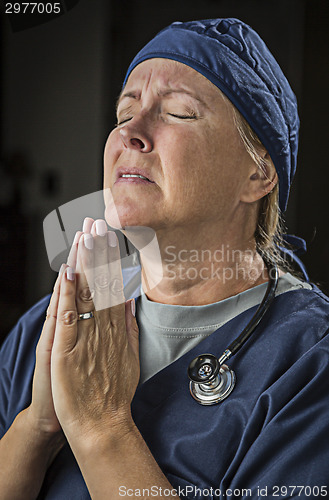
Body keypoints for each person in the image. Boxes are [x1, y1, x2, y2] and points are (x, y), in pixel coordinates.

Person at [0, 17, 328, 500]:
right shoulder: (49, 329)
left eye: (178, 113)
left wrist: (101, 425)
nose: (131, 132)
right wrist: (39, 424)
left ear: (258, 174)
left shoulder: (307, 365)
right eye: (123, 114)